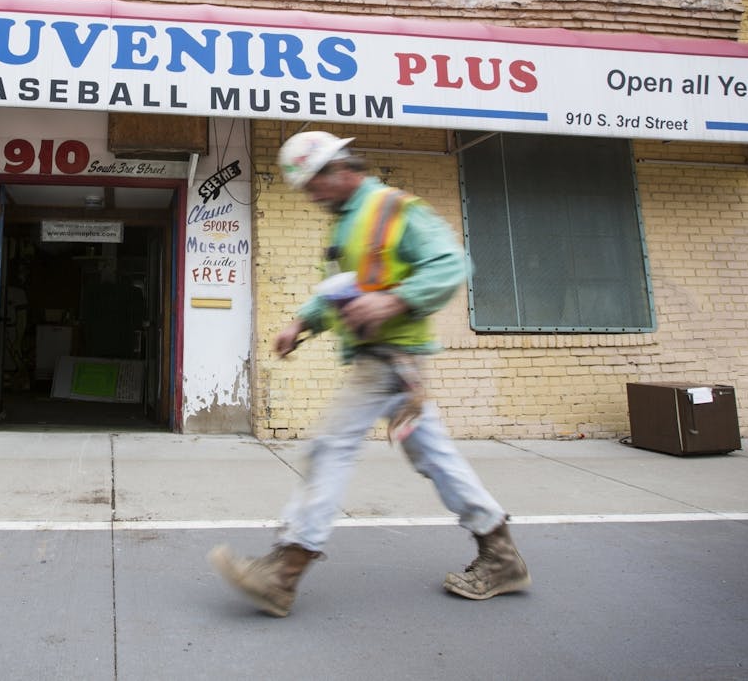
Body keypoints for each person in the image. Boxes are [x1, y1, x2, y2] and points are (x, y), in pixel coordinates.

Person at [209, 131, 529, 616]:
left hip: (387, 357)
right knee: (433, 455)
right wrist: (303, 321)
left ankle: (283, 572)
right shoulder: (350, 222)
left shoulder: (390, 208)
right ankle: (499, 552)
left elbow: (450, 263)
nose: (312, 196)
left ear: (341, 169)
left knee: (329, 448)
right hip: (394, 365)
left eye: (314, 184)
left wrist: (395, 300)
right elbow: (347, 287)